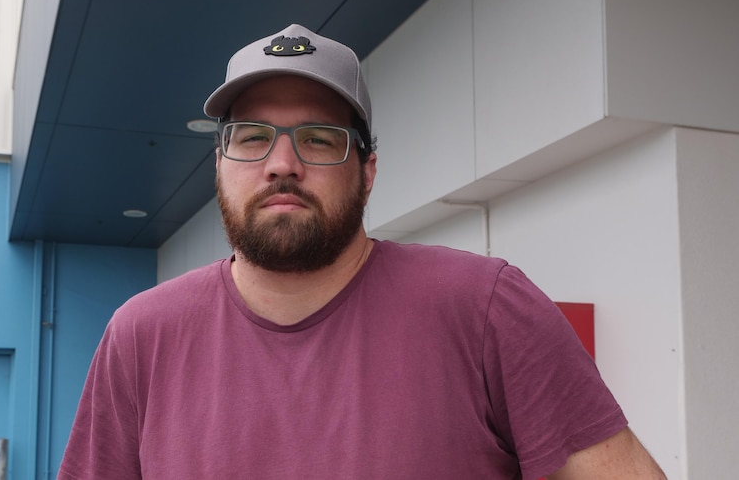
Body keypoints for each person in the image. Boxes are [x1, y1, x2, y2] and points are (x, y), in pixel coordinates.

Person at [58, 24, 665, 479]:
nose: (282, 165)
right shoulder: (141, 335)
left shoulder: (485, 309)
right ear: (220, 165)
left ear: (367, 171)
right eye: (252, 139)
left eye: (319, 139)